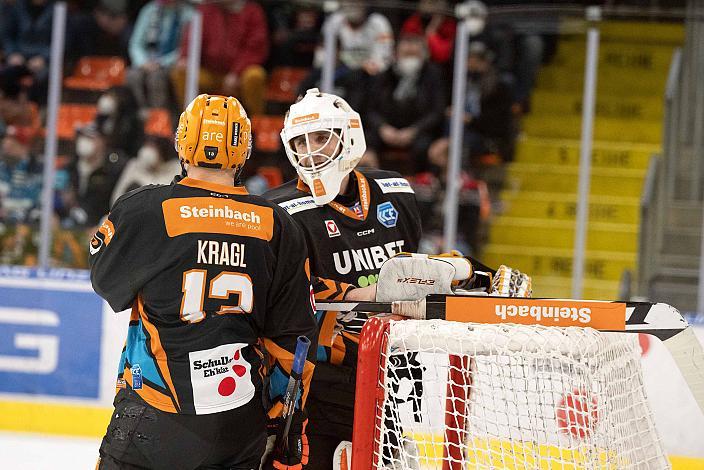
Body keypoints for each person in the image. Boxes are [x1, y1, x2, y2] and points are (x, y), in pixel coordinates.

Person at [90, 94, 318, 469]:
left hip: (155, 411)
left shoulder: (145, 209)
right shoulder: (278, 225)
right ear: (243, 152)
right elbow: (292, 337)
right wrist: (284, 418)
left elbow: (106, 281)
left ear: (182, 143)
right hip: (237, 423)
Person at [263, 88, 424, 469]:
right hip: (316, 382)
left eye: (320, 137)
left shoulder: (395, 192)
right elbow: (284, 292)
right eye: (300, 142)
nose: (310, 151)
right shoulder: (279, 211)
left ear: (348, 135)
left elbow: (413, 274)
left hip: (392, 374)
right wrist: (361, 292)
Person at [365, 34, 446, 173]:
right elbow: (369, 109)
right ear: (396, 54)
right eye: (406, 54)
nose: (410, 59)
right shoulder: (385, 76)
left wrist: (414, 130)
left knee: (424, 146)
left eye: (414, 55)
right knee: (365, 141)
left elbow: (437, 112)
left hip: (419, 131)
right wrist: (382, 128)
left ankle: (421, 183)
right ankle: (370, 183)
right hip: (387, 130)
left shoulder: (433, 76)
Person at [172, 0, 269, 114]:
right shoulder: (205, 10)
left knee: (255, 75)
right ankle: (191, 119)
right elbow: (192, 38)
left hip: (240, 74)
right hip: (210, 73)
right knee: (181, 72)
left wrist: (236, 73)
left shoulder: (252, 11)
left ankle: (256, 121)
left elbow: (256, 48)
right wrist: (185, 57)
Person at [127, 0, 193, 111]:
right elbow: (135, 43)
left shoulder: (188, 15)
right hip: (147, 61)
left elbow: (186, 49)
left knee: (156, 78)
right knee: (132, 75)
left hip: (171, 63)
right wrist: (143, 62)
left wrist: (161, 63)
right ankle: (140, 114)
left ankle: (160, 117)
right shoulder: (149, 10)